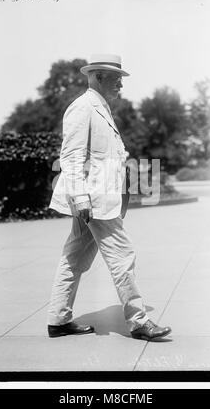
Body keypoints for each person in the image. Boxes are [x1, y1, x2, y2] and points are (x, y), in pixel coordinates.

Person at [47, 54, 172, 341]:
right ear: (98, 77)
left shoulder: (100, 107)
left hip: (97, 200)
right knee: (122, 255)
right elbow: (71, 156)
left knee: (74, 258)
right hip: (93, 201)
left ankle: (58, 319)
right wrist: (80, 197)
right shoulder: (83, 107)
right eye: (116, 79)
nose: (121, 85)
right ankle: (139, 321)